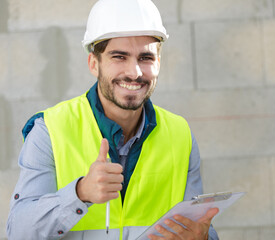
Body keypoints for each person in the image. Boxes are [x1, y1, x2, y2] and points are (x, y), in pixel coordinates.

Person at [6, 0, 220, 239]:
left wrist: (202, 237)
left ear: (158, 63)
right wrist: (79, 193)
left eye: (146, 58)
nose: (135, 72)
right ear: (94, 64)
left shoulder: (180, 134)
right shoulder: (49, 130)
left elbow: (200, 227)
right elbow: (18, 231)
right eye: (119, 57)